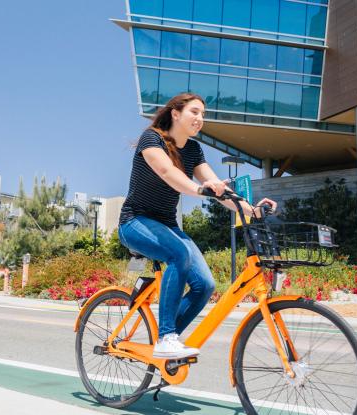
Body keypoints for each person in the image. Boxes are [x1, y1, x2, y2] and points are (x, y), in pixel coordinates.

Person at [117, 92, 277, 360]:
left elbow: (218, 188)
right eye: (194, 112)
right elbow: (169, 173)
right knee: (177, 255)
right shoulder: (151, 138)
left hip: (166, 226)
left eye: (203, 114)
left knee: (205, 285)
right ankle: (167, 337)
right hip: (135, 221)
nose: (200, 118)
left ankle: (164, 345)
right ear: (175, 114)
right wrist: (200, 189)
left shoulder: (193, 150)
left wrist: (251, 210)